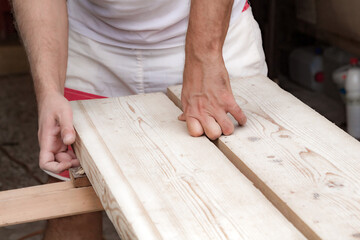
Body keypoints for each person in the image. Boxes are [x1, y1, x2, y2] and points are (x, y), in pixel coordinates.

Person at [12, 0, 267, 239]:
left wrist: (204, 57)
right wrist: (49, 92)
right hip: (92, 43)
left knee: (233, 199)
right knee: (72, 198)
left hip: (215, 40)